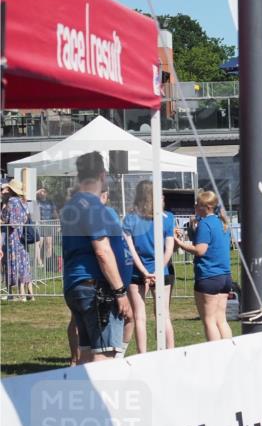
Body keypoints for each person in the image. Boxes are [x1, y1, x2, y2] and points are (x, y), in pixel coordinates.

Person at [60, 153, 133, 362]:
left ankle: (83, 394)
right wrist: (120, 291)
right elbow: (102, 250)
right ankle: (101, 396)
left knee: (86, 352)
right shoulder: (91, 205)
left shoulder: (73, 205)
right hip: (97, 288)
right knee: (105, 355)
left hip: (78, 285)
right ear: (102, 175)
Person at [121, 180, 176, 352]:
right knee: (164, 315)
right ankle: (170, 351)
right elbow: (169, 248)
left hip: (137, 272)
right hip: (162, 271)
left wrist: (145, 271)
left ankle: (142, 354)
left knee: (139, 316)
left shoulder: (130, 219)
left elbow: (130, 250)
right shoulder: (168, 218)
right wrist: (157, 271)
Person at [174, 190, 233, 342]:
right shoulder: (222, 223)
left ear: (205, 207)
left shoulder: (205, 224)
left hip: (208, 276)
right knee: (221, 319)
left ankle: (215, 356)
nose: (194, 207)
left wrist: (180, 243)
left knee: (209, 320)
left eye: (197, 204)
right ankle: (228, 354)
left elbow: (200, 250)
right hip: (225, 276)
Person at [1, 179, 33, 301]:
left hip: (11, 238)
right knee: (23, 263)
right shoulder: (23, 202)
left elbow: (6, 219)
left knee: (11, 264)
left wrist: (4, 205)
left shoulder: (11, 202)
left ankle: (13, 294)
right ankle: (23, 294)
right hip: (22, 237)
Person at [35, 186, 57, 267]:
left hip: (48, 224)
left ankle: (48, 262)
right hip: (39, 225)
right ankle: (39, 262)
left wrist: (58, 223)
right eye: (40, 191)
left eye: (44, 191)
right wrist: (36, 192)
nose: (42, 193)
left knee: (49, 244)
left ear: (46, 193)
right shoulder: (37, 201)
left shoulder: (50, 202)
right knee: (39, 244)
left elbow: (54, 213)